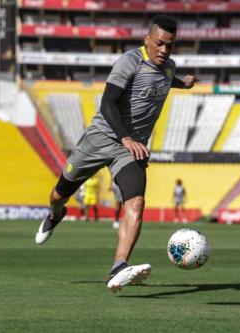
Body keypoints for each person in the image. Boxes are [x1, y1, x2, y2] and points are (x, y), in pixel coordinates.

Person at [35, 14, 197, 291]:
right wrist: (124, 138)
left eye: (170, 45)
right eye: (159, 43)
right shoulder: (129, 62)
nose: (164, 50)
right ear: (147, 39)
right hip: (100, 139)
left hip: (131, 150)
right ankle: (54, 214)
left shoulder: (169, 67)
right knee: (58, 194)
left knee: (136, 203)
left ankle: (118, 267)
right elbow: (108, 102)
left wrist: (184, 83)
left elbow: (164, 80)